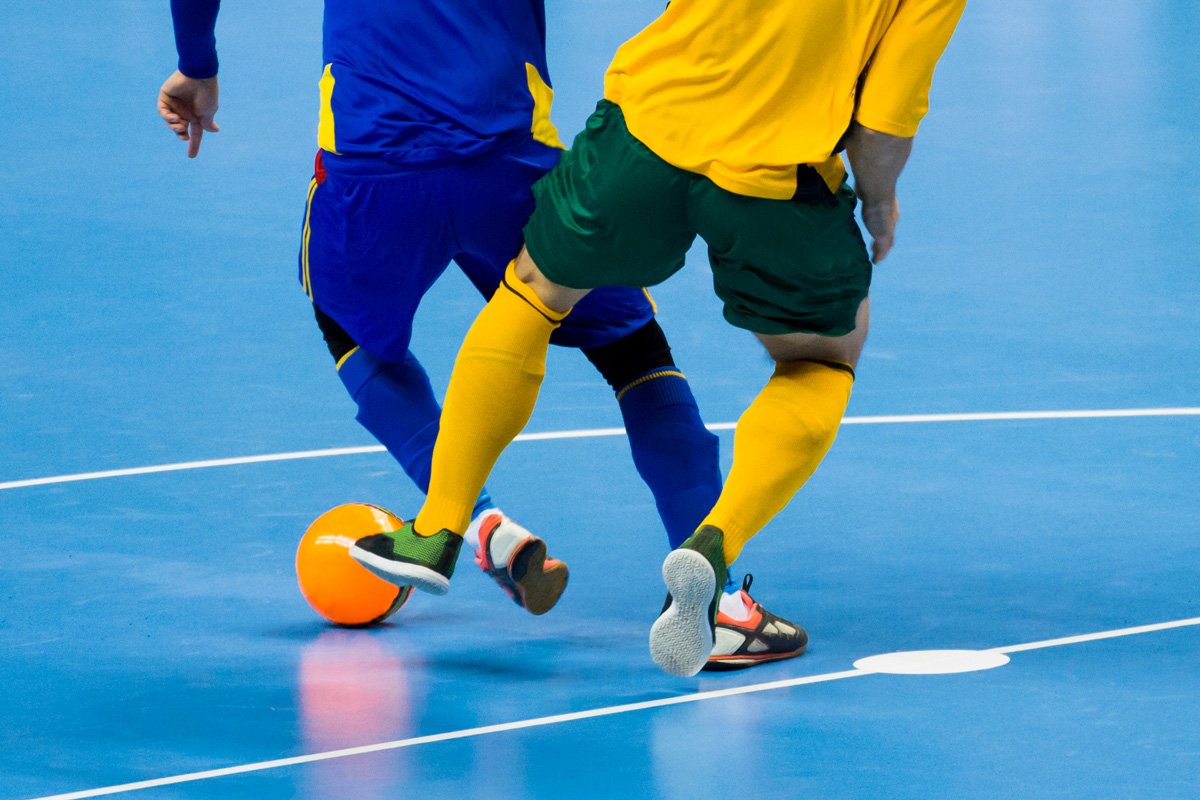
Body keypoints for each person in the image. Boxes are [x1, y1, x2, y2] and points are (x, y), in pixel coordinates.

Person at [158, 0, 808, 668]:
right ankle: (720, 604)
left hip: (372, 172)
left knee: (346, 327)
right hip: (509, 166)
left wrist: (196, 63)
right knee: (633, 352)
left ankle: (469, 521)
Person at [352, 0, 967, 676]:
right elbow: (882, 124)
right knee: (821, 358)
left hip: (645, 134)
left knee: (531, 294)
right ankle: (712, 550)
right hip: (777, 177)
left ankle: (438, 525)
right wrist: (878, 200)